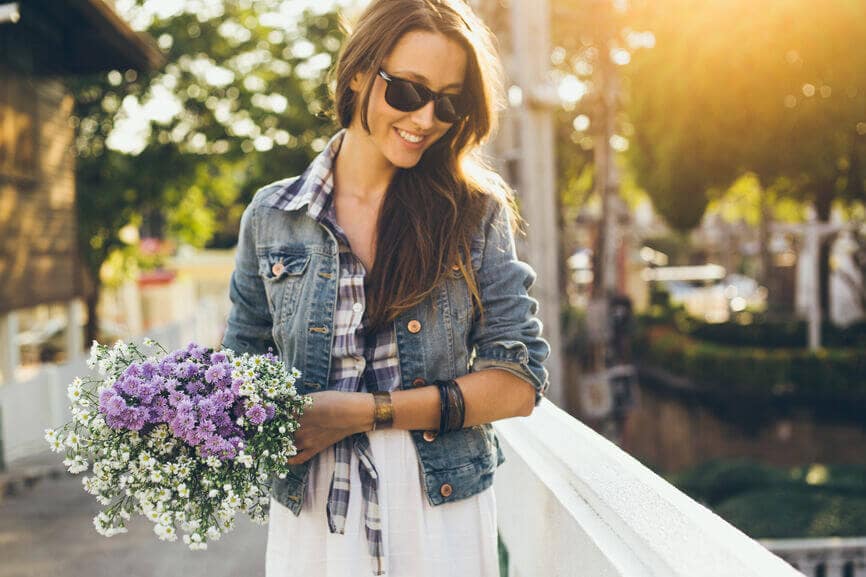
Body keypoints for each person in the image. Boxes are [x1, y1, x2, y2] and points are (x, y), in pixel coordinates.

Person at [220, 0, 550, 575]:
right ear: (358, 73)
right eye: (407, 91)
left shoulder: (473, 214)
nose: (425, 118)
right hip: (313, 512)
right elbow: (239, 371)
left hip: (439, 505)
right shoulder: (272, 215)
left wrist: (361, 412)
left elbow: (517, 384)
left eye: (448, 101)